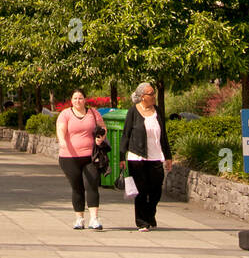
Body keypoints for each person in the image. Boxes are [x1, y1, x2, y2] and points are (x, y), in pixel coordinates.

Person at [119, 81, 173, 231]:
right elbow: (126, 135)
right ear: (143, 97)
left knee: (156, 190)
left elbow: (164, 136)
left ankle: (150, 214)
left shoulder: (158, 111)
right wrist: (122, 157)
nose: (154, 96)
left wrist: (168, 156)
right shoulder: (133, 112)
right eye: (151, 94)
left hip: (156, 156)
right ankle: (142, 221)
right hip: (137, 157)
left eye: (154, 93)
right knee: (141, 191)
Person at [56, 90, 107, 230]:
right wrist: (62, 141)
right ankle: (79, 218)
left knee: (91, 184)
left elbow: (103, 128)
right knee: (77, 187)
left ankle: (94, 219)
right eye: (75, 98)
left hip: (91, 156)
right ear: (71, 100)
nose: (78, 101)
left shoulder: (93, 113)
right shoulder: (65, 114)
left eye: (80, 98)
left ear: (85, 100)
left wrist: (100, 137)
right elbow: (60, 129)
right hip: (69, 157)